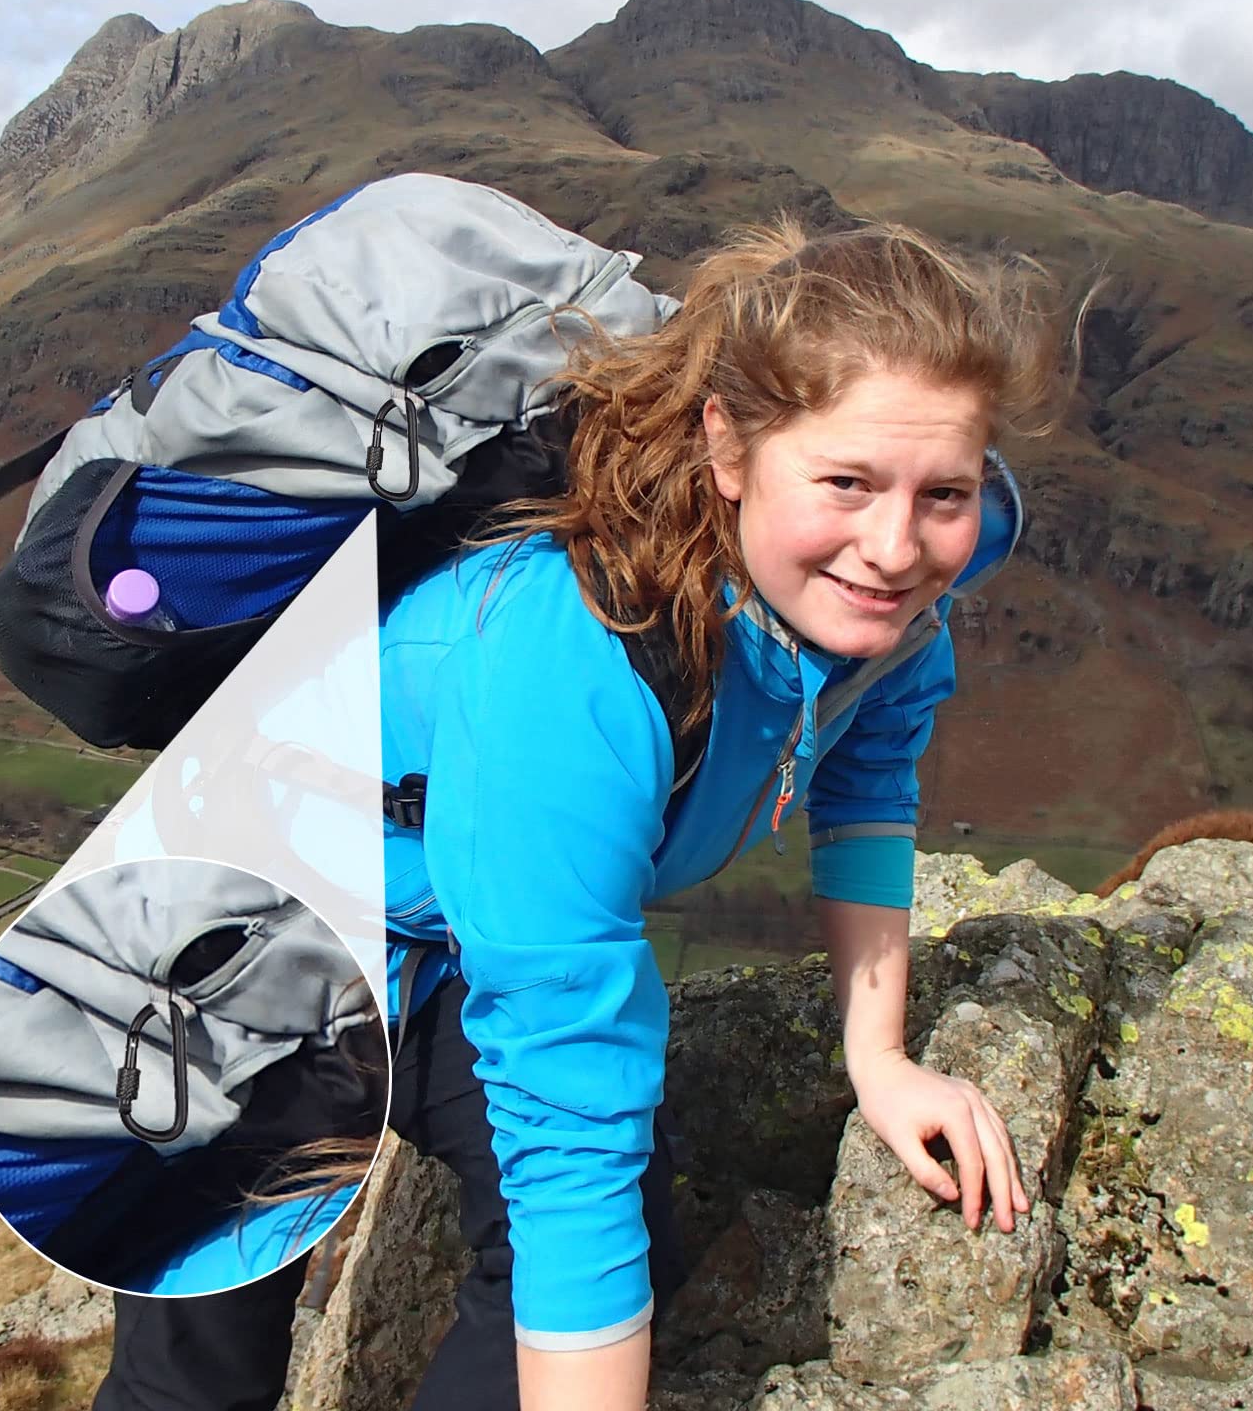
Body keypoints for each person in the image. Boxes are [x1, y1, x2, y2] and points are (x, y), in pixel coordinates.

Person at [93, 214, 1078, 1411]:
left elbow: (870, 767)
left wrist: (878, 1055)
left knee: (608, 1249)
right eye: (846, 482)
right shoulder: (584, 656)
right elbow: (566, 1104)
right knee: (203, 1338)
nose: (893, 544)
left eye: (945, 493)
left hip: (451, 920)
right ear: (728, 445)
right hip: (253, 912)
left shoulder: (908, 578)